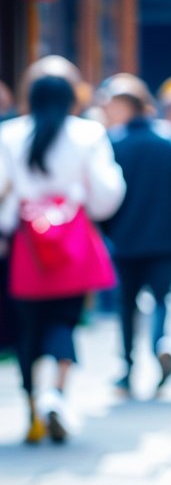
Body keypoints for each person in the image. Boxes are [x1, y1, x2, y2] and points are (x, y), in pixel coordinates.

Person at [0, 57, 125, 443]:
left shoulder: (9, 135)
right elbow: (106, 197)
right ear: (72, 96)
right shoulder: (89, 134)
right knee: (65, 321)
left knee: (28, 327)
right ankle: (56, 391)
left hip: (26, 245)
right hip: (72, 243)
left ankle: (34, 406)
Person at [103, 73, 171, 397]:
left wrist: (106, 232)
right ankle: (162, 342)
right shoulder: (166, 141)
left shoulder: (114, 143)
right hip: (165, 240)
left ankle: (127, 370)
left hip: (125, 240)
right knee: (161, 299)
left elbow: (106, 196)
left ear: (126, 106)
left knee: (127, 306)